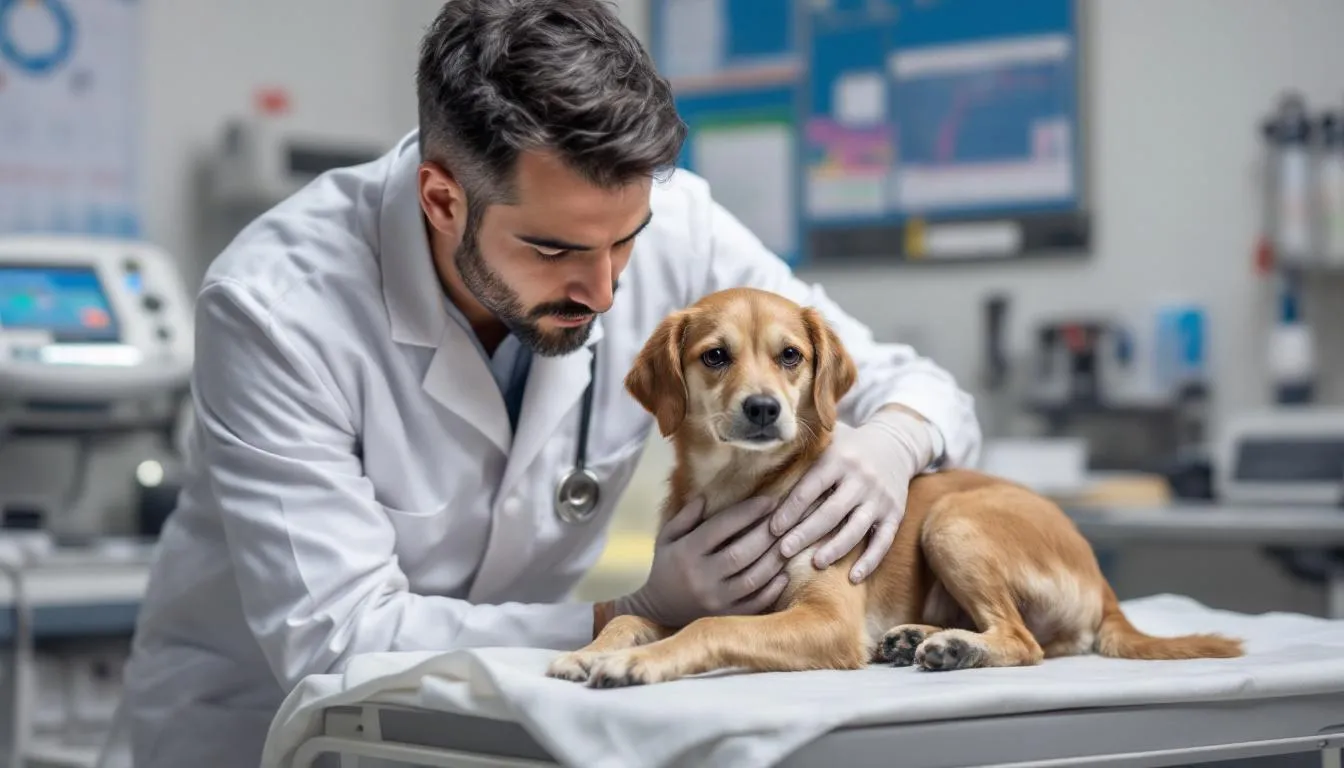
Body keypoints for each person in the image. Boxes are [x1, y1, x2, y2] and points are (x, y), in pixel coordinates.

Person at [117, 0, 981, 765]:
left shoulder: (673, 223)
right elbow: (338, 638)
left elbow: (922, 390)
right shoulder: (276, 308)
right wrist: (633, 609)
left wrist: (891, 444)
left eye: (626, 240)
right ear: (442, 199)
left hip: (516, 718)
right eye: (555, 250)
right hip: (272, 731)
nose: (606, 290)